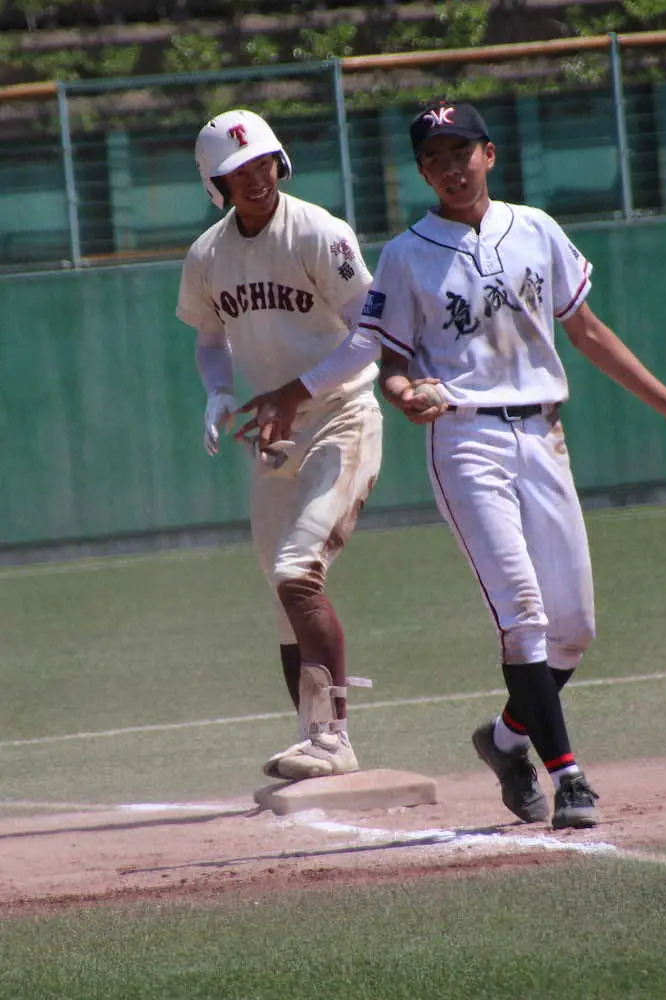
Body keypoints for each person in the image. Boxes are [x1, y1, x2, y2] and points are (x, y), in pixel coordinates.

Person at [236, 102, 666, 829]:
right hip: (466, 441)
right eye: (434, 157)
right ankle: (568, 777)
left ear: (490, 154)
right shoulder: (409, 253)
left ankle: (507, 740)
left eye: (461, 150)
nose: (451, 167)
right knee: (526, 617)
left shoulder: (536, 230)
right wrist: (311, 390)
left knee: (574, 629)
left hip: (544, 438)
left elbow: (589, 331)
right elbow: (376, 349)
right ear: (421, 171)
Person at [175, 108, 382, 783]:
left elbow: (370, 332)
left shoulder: (318, 232)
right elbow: (209, 340)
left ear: (279, 160)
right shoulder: (208, 255)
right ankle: (311, 737)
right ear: (217, 182)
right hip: (273, 439)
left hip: (341, 419)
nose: (255, 175)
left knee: (299, 571)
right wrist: (216, 392)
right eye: (238, 169)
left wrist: (299, 390)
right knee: (282, 597)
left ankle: (334, 737)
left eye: (263, 160)